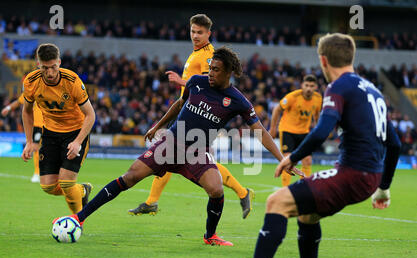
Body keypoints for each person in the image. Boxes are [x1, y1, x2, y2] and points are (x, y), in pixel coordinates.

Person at [212, 33, 401, 258]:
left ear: (323, 60)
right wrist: (384, 187)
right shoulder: (373, 91)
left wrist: (292, 157)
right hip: (370, 176)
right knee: (307, 213)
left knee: (276, 202)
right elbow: (394, 144)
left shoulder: (338, 87)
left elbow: (322, 129)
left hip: (352, 174)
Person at [60, 46, 302, 246]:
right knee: (129, 177)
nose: (210, 73)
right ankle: (79, 218)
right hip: (171, 143)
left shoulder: (238, 100)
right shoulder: (196, 82)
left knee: (216, 190)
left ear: (228, 72)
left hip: (197, 152)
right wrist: (158, 126)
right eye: (210, 68)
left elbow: (260, 131)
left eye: (216, 70)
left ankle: (210, 236)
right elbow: (179, 104)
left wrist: (283, 158)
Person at [129, 14, 255, 219]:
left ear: (208, 34)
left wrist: (180, 81)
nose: (195, 36)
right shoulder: (195, 53)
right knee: (167, 158)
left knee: (200, 163)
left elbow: (209, 85)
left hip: (197, 116)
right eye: (193, 31)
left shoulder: (208, 55)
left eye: (200, 33)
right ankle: (152, 202)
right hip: (184, 110)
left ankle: (242, 191)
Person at [21, 43, 95, 215]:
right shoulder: (31, 82)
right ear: (38, 64)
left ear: (59, 62)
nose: (50, 73)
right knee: (48, 186)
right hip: (51, 133)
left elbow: (91, 115)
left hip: (75, 132)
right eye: (45, 68)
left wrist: (78, 142)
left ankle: (77, 220)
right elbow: (26, 111)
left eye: (53, 67)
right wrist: (29, 141)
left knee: (67, 183)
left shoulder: (72, 81)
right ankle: (82, 191)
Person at [269, 74, 322, 185]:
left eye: (312, 86)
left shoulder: (318, 99)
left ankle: (304, 189)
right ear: (302, 85)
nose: (309, 88)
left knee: (307, 160)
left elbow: (317, 115)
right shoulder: (292, 97)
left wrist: (318, 129)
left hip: (304, 132)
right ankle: (285, 190)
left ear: (316, 87)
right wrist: (273, 128)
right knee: (288, 161)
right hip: (288, 131)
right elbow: (276, 109)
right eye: (306, 85)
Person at [2, 93, 43, 183]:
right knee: (36, 148)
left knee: (46, 149)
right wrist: (8, 108)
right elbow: (18, 102)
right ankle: (37, 173)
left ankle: (44, 172)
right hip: (37, 126)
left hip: (50, 125)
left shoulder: (48, 90)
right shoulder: (31, 91)